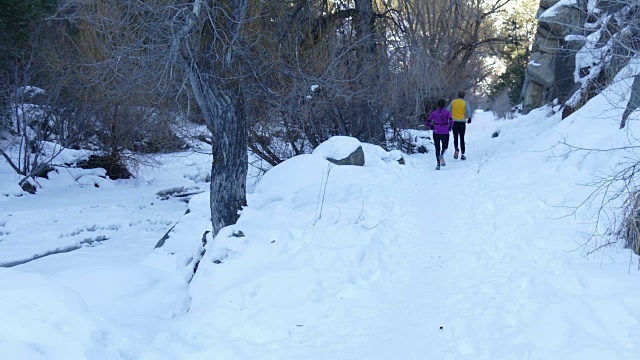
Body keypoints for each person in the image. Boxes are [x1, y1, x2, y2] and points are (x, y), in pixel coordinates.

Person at [426, 99, 453, 170]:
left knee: (437, 148)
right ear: (444, 104)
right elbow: (451, 121)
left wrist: (432, 127)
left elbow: (427, 122)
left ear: (438, 105)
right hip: (445, 132)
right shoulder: (447, 113)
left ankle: (438, 164)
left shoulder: (434, 113)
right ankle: (442, 155)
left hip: (436, 132)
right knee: (445, 146)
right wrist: (449, 127)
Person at [447, 91, 473, 160]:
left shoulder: (453, 102)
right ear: (463, 96)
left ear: (457, 95)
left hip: (454, 122)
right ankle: (463, 154)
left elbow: (448, 110)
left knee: (455, 137)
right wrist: (469, 118)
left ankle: (456, 149)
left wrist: (449, 118)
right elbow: (468, 111)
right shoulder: (465, 103)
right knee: (462, 138)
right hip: (462, 122)